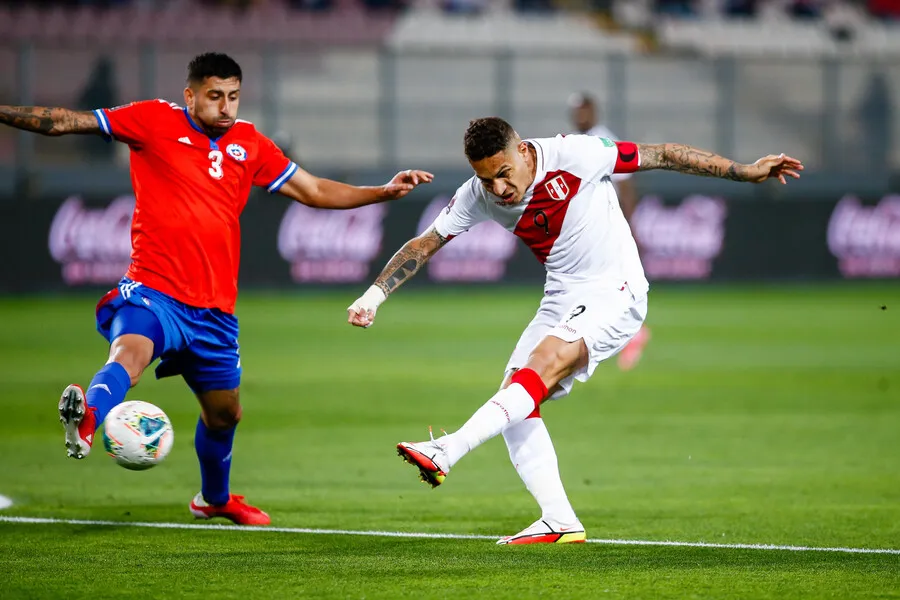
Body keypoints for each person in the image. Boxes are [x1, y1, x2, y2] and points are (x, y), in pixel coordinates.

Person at [0, 52, 432, 526]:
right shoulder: (151, 120)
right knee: (129, 354)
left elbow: (313, 191)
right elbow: (63, 122)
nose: (226, 107)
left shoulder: (249, 142)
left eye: (233, 96)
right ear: (191, 95)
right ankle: (87, 419)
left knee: (225, 415)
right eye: (214, 96)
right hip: (153, 289)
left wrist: (382, 191)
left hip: (213, 312)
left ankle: (213, 499)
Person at [347, 117, 801, 544]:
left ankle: (448, 450)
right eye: (487, 180)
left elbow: (661, 154)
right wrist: (373, 296)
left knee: (538, 369)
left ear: (523, 151)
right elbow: (426, 242)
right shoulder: (477, 195)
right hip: (562, 297)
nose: (499, 189)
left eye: (505, 172)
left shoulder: (576, 155)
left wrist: (744, 172)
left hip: (615, 289)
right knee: (514, 399)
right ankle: (559, 519)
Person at [568, 91, 648, 370]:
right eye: (576, 111)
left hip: (608, 227)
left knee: (604, 282)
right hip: (587, 228)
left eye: (583, 110)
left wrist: (629, 225)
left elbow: (625, 185)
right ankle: (625, 334)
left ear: (593, 111)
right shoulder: (574, 141)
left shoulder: (605, 140)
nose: (579, 116)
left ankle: (633, 333)